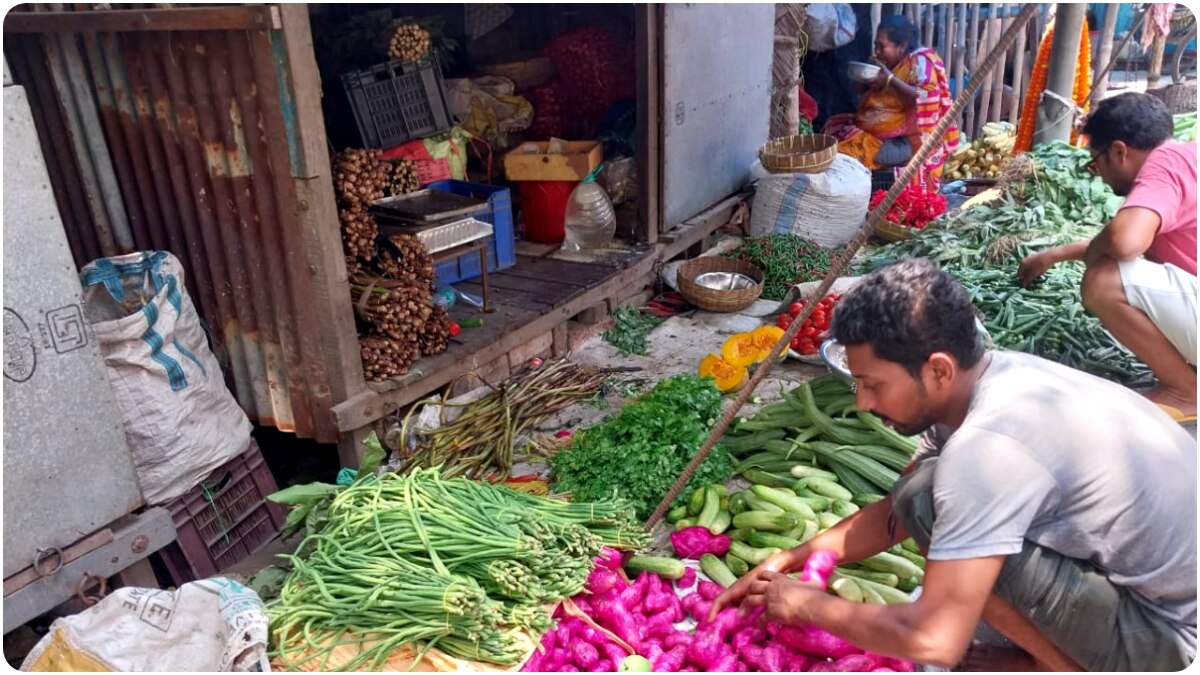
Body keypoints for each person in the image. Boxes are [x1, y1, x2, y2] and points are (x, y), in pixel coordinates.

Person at [711, 259, 1196, 672]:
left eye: (873, 384)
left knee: (936, 506)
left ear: (938, 368)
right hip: (1159, 597)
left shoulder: (988, 450)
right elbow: (894, 512)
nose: (861, 402)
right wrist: (790, 560)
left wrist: (809, 606)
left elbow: (935, 638)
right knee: (923, 492)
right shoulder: (996, 377)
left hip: (1172, 641)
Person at [1018, 92, 1197, 420]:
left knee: (1103, 281)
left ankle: (1186, 392)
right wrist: (1056, 255)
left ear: (1119, 151)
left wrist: (1094, 249)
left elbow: (1125, 241)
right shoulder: (1189, 157)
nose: (1097, 172)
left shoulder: (1164, 165)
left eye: (1094, 161)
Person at [822, 14, 960, 182]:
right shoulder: (890, 63)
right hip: (872, 132)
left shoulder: (921, 62)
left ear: (902, 46)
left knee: (841, 157)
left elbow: (927, 97)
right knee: (831, 130)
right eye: (876, 46)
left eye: (882, 46)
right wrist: (865, 80)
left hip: (905, 143)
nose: (877, 51)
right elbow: (866, 93)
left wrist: (889, 80)